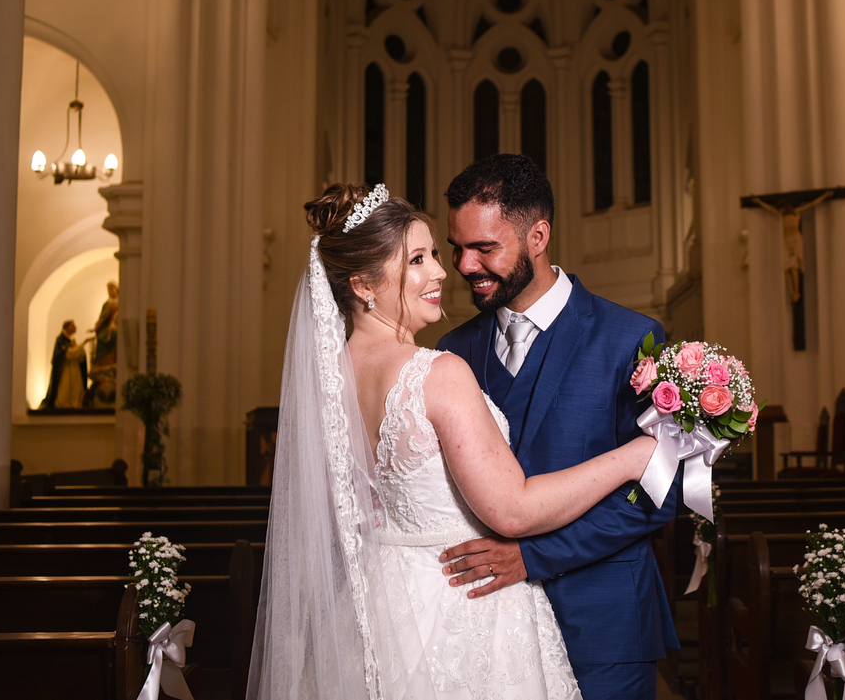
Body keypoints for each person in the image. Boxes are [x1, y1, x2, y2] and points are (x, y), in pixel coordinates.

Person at [246, 182, 658, 700]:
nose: (445, 271)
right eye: (417, 260)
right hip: (462, 609)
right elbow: (513, 510)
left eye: (433, 255)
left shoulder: (326, 383)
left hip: (378, 606)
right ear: (363, 285)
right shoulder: (439, 369)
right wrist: (636, 456)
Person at [437, 154, 682, 700]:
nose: (464, 265)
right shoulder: (452, 352)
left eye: (484, 248)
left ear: (538, 236)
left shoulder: (630, 338)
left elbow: (659, 493)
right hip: (487, 625)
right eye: (456, 247)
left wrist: (532, 557)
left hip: (604, 623)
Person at [38, 320, 90, 410]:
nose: (75, 327)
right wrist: (81, 346)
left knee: (75, 389)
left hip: (75, 369)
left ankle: (74, 404)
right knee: (65, 389)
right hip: (65, 370)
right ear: (67, 327)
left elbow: (78, 355)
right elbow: (66, 354)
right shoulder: (60, 340)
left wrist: (79, 349)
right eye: (72, 325)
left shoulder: (72, 340)